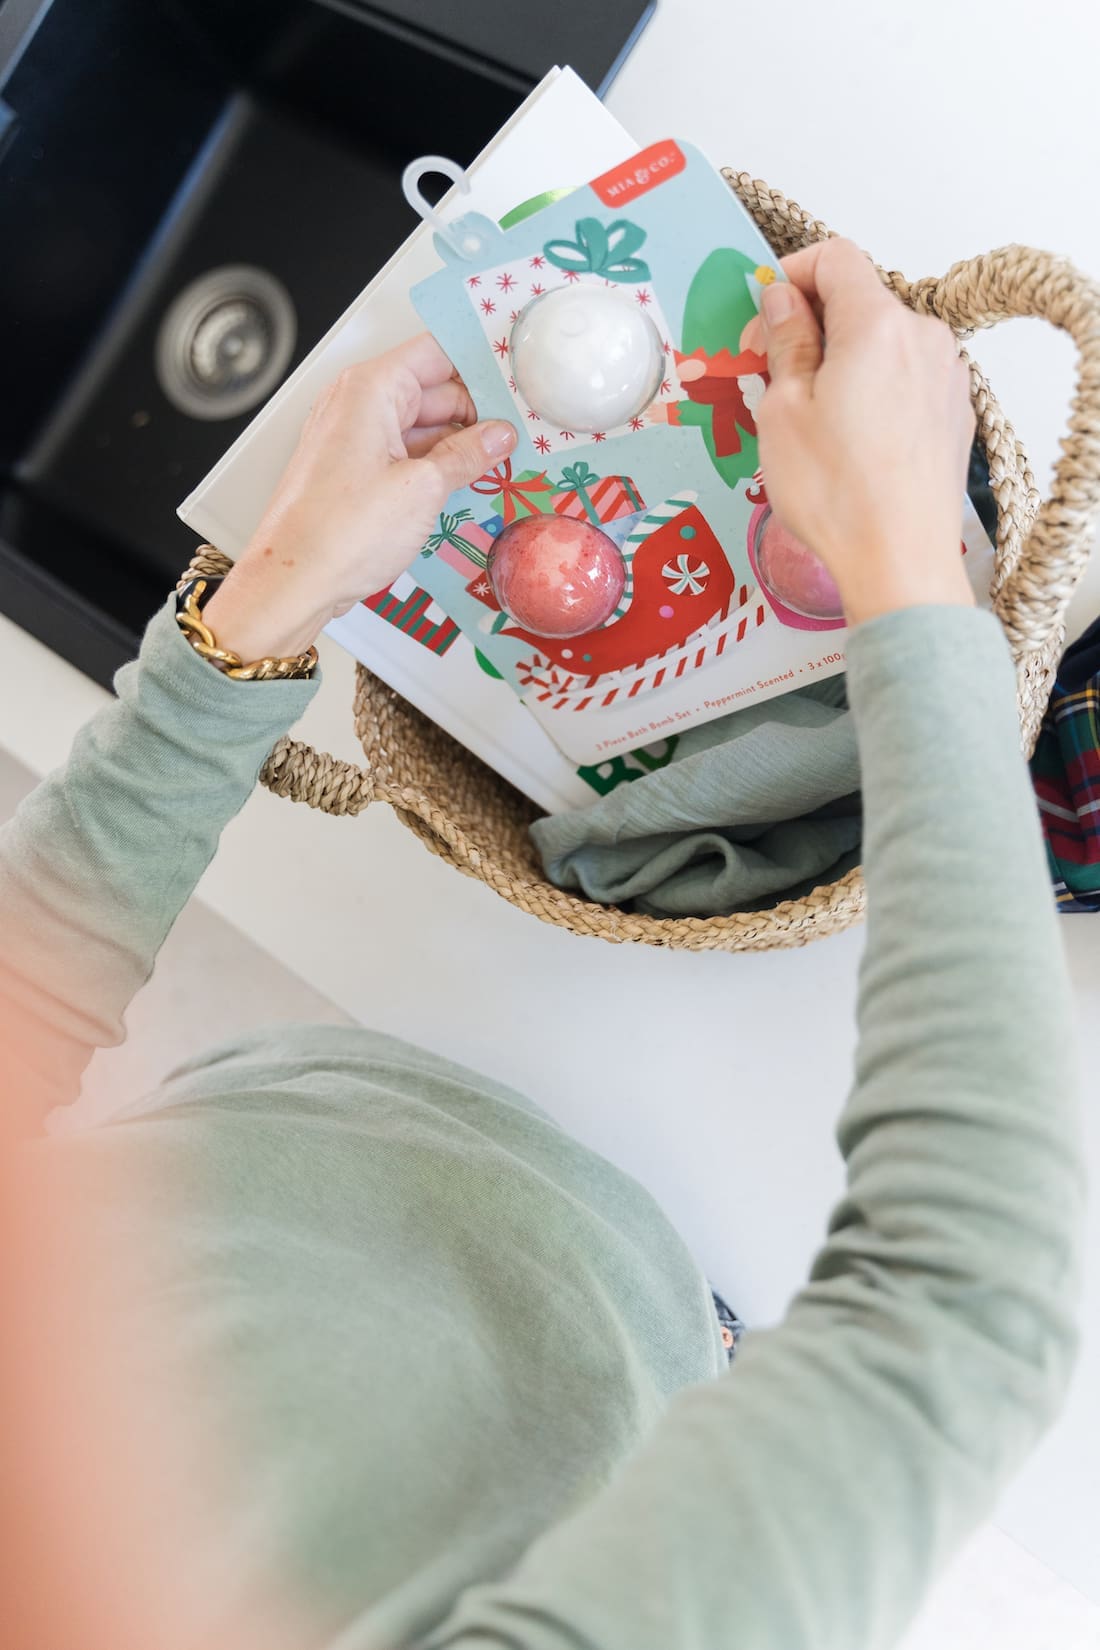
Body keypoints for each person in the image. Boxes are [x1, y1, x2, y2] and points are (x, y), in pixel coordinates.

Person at [0, 239, 1082, 1650]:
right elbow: (964, 1313)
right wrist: (900, 564)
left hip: (341, 1102)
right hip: (646, 1332)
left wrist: (259, 610)